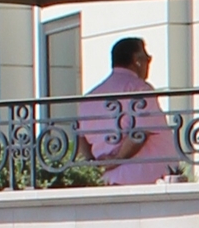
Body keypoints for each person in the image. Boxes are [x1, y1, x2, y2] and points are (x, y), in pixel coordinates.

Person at [78, 38, 183, 186]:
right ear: (137, 60)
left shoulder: (89, 97)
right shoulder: (139, 88)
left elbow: (80, 136)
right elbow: (140, 133)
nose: (148, 63)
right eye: (148, 58)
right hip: (144, 180)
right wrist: (117, 159)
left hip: (107, 181)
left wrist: (93, 167)